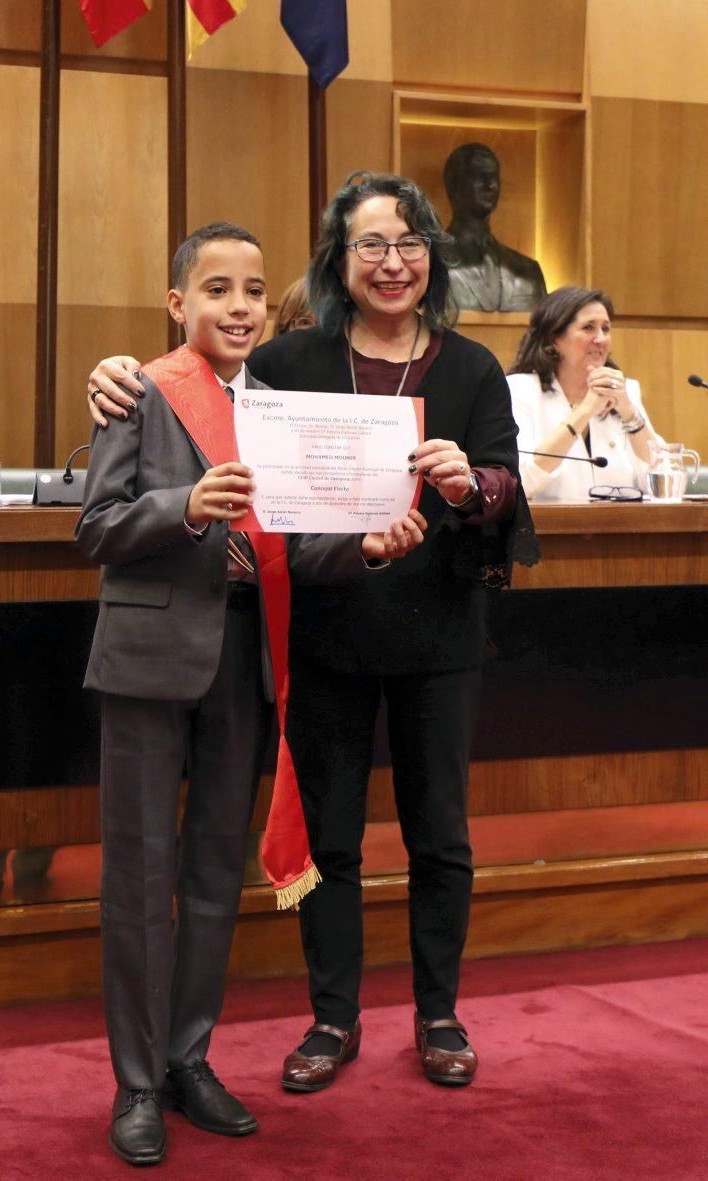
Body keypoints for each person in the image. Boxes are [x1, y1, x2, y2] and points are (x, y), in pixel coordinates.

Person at [86, 173, 538, 1097]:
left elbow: (495, 488)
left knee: (420, 836)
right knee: (295, 845)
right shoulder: (290, 363)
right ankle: (293, 1030)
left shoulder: (469, 367)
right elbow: (152, 453)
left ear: (430, 256)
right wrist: (116, 374)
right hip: (308, 640)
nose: (392, 260)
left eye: (409, 242)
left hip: (415, 633)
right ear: (339, 259)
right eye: (371, 243)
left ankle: (421, 1016)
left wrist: (444, 501)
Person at [77, 221, 425, 1166]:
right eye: (218, 290)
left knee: (211, 877)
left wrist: (364, 545)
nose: (239, 308)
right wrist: (180, 507)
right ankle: (136, 1081)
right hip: (150, 658)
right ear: (178, 303)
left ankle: (189, 1058)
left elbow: (299, 545)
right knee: (141, 881)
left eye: (254, 291)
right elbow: (97, 526)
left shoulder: (279, 408)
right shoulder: (139, 391)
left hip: (247, 658)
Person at [506, 286, 660, 501]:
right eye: (588, 328)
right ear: (554, 338)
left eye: (605, 329)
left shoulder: (625, 392)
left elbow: (663, 482)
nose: (601, 339)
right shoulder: (521, 390)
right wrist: (586, 411)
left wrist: (629, 412)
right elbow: (519, 483)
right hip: (549, 531)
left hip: (624, 530)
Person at [443, 142, 546, 313]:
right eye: (479, 176)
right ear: (453, 184)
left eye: (494, 177)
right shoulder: (429, 267)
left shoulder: (529, 272)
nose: (490, 185)